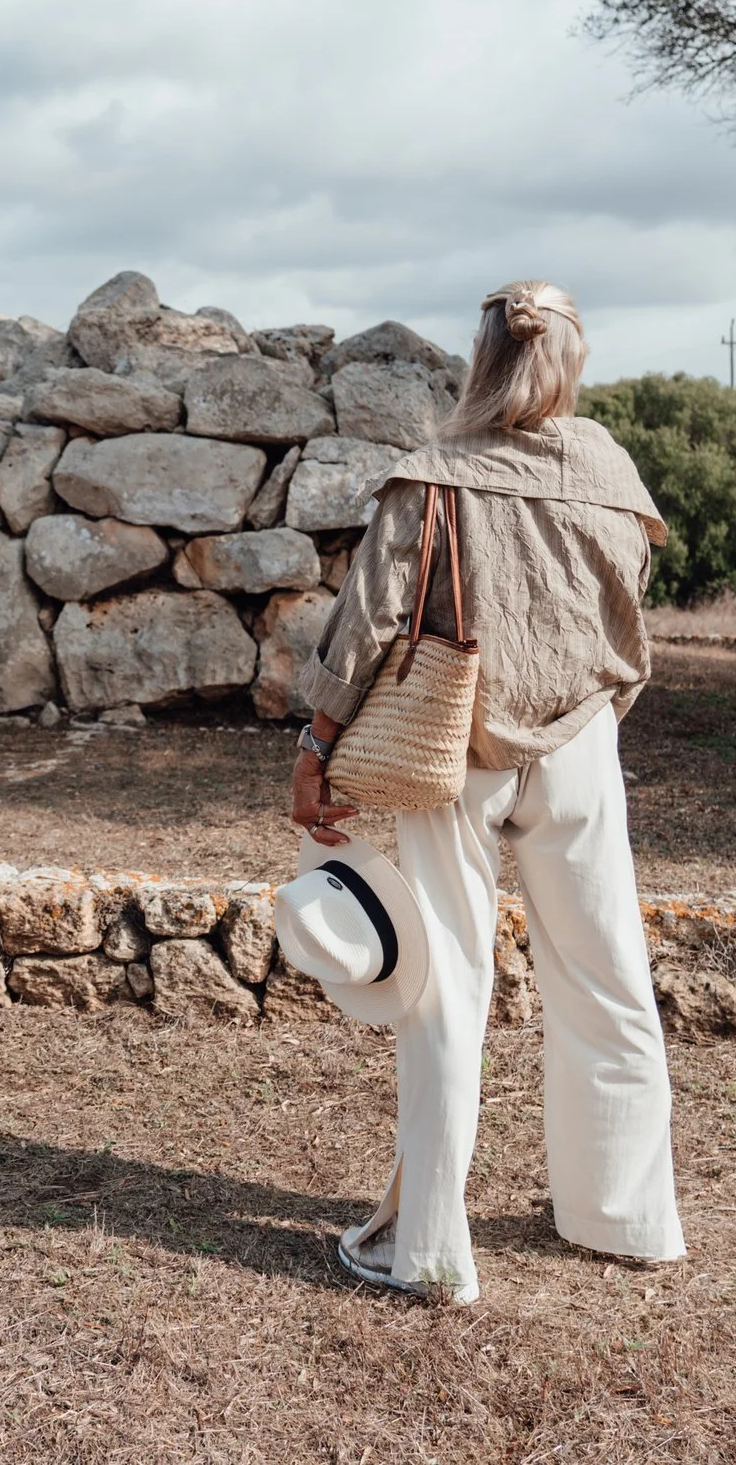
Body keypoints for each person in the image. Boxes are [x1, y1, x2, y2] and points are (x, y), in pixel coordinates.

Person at [286, 280, 684, 1304]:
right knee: (607, 976)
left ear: (482, 360)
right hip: (583, 741)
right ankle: (625, 1218)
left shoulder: (437, 476)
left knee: (445, 990)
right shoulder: (611, 472)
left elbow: (372, 618)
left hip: (452, 744)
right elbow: (627, 613)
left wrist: (316, 743)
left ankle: (429, 1251)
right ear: (570, 362)